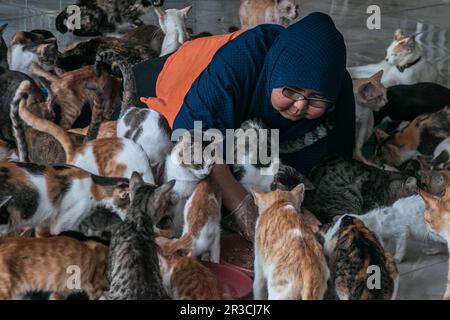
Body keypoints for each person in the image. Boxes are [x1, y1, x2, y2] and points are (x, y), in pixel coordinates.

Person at [133, 12, 355, 242]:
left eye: (316, 98)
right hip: (170, 76)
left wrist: (293, 202)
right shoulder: (242, 58)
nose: (300, 106)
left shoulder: (337, 92)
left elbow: (332, 166)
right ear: (276, 74)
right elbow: (196, 139)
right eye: (292, 90)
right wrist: (245, 210)